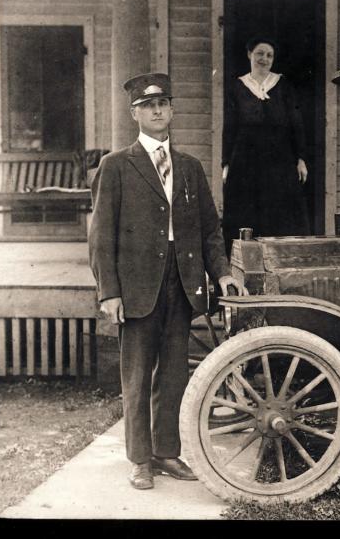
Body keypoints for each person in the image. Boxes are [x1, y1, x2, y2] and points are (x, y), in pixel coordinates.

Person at [89, 72, 248, 490]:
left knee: (174, 373)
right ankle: (140, 460)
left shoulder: (191, 168)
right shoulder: (116, 166)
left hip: (183, 282)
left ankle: (165, 452)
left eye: (163, 104)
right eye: (148, 105)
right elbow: (101, 235)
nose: (157, 111)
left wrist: (224, 274)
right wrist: (109, 292)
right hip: (138, 286)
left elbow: (211, 230)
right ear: (134, 114)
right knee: (138, 375)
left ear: (172, 110)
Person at [221, 37, 310, 256]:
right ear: (250, 54)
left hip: (279, 160)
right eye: (260, 53)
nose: (264, 59)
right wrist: (226, 163)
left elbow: (296, 123)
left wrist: (300, 158)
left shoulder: (283, 85)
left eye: (269, 55)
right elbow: (229, 127)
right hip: (245, 159)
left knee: (280, 212)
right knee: (246, 212)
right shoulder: (237, 87)